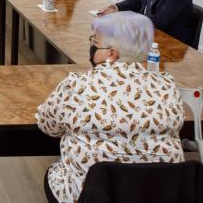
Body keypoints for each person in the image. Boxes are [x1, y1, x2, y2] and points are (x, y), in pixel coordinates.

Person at [36, 12, 184, 203]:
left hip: (90, 195)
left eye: (95, 42)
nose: (91, 47)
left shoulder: (77, 84)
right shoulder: (167, 85)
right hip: (160, 194)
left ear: (111, 54)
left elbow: (48, 125)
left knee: (55, 172)